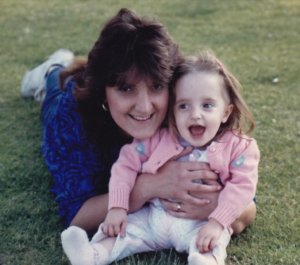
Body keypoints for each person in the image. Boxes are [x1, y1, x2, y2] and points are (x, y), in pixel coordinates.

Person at [21, 7, 255, 239]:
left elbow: (248, 205)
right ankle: (52, 69)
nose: (144, 107)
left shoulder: (187, 102)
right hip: (75, 104)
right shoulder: (74, 114)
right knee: (53, 97)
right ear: (103, 91)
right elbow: (76, 217)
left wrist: (218, 207)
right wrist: (146, 187)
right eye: (126, 89)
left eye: (156, 87)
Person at [60, 50, 260, 265]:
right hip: (152, 219)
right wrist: (118, 206)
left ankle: (205, 261)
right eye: (184, 105)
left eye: (207, 105)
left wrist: (218, 221)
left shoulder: (238, 148)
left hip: (201, 223)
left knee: (211, 241)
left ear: (226, 112)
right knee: (123, 230)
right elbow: (125, 166)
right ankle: (93, 255)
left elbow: (242, 187)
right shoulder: (159, 139)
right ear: (172, 111)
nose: (195, 114)